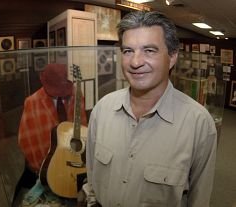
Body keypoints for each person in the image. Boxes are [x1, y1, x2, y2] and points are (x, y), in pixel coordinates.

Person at [86, 11, 217, 207]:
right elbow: (92, 181)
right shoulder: (102, 110)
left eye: (149, 50)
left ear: (172, 57)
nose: (135, 62)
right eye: (128, 51)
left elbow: (199, 200)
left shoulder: (199, 124)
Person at [17, 63, 88, 206]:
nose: (61, 93)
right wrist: (44, 168)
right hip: (46, 163)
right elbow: (26, 140)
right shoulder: (33, 102)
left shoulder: (76, 94)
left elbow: (83, 129)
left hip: (72, 157)